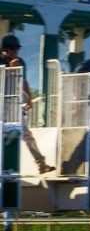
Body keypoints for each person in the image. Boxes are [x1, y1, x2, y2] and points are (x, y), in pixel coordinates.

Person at [0, 34, 55, 174]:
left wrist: (29, 98)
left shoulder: (20, 62)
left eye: (17, 49)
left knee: (26, 134)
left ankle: (41, 164)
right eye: (12, 49)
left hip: (13, 103)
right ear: (4, 49)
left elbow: (23, 81)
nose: (15, 52)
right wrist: (9, 70)